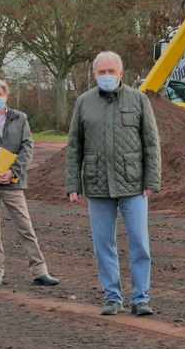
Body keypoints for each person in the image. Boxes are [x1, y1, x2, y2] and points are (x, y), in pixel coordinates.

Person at [66, 51, 161, 316]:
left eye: (111, 71)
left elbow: (151, 143)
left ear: (121, 73)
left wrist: (151, 180)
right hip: (97, 184)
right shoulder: (84, 103)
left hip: (133, 183)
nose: (107, 76)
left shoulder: (139, 99)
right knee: (103, 244)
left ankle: (140, 298)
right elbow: (74, 146)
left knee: (139, 243)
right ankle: (112, 297)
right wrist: (73, 183)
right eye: (101, 72)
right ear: (94, 75)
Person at [0, 79, 58, 288]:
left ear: (6, 96)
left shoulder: (21, 118)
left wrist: (14, 171)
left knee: (25, 228)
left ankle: (39, 272)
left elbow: (28, 147)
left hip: (13, 184)